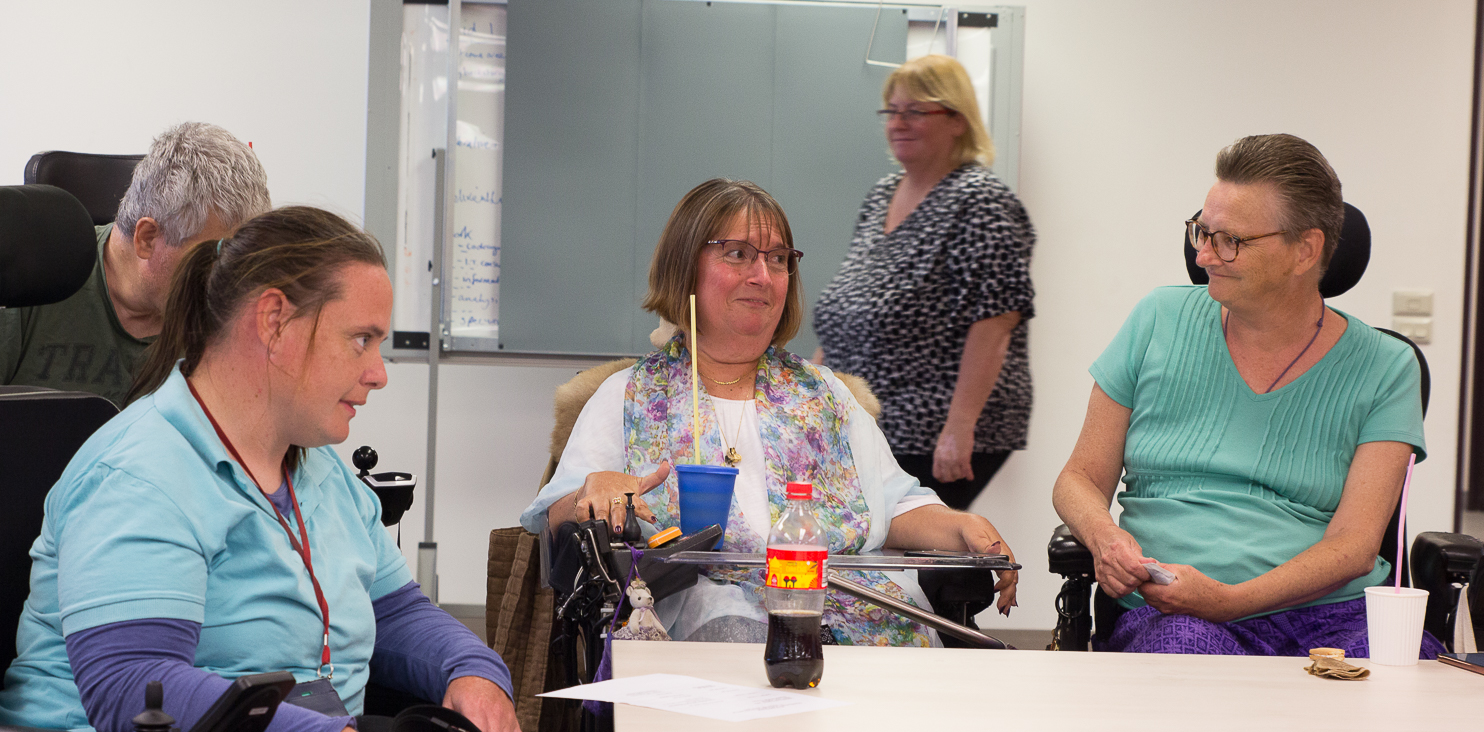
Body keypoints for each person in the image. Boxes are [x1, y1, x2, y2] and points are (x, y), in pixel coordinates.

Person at [0, 206, 597, 732]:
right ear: (274, 321)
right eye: (360, 340)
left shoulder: (318, 466)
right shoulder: (142, 472)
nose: (379, 372)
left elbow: (393, 611)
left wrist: (471, 669)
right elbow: (132, 687)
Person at [522, 179, 1019, 645]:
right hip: (701, 612)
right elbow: (557, 524)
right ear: (684, 266)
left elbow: (891, 504)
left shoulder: (823, 394)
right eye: (738, 254)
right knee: (736, 632)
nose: (762, 275)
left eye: (777, 259)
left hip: (848, 604)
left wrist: (960, 527)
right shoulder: (628, 395)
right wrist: (595, 491)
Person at [1052, 133, 1437, 658]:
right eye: (1201, 232)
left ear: (1306, 249)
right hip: (1177, 610)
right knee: (1193, 677)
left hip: (1334, 615)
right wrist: (1104, 538)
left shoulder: (1387, 367)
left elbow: (1352, 547)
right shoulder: (1157, 320)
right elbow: (1079, 478)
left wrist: (1231, 601)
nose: (1205, 254)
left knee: (1410, 687)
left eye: (1230, 240)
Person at [812, 54, 1035, 511]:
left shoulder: (981, 201)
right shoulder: (882, 195)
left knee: (917, 553)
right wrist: (808, 392)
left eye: (915, 111)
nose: (898, 122)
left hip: (931, 427)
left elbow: (994, 324)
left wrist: (958, 428)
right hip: (871, 421)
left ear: (956, 119)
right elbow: (848, 309)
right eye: (891, 111)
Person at [0, 121, 271, 405]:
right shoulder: (28, 281)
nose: (230, 285)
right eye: (213, 259)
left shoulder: (232, 316)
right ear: (146, 238)